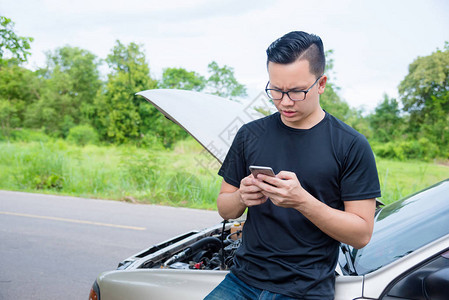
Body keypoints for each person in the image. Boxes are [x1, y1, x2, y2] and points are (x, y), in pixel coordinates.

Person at [204, 31, 381, 300]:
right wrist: (242, 196)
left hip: (304, 290)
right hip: (241, 281)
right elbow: (224, 207)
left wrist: (301, 201)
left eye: (297, 91)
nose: (285, 101)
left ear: (321, 84)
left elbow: (361, 234)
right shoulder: (249, 135)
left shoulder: (351, 145)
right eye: (276, 90)